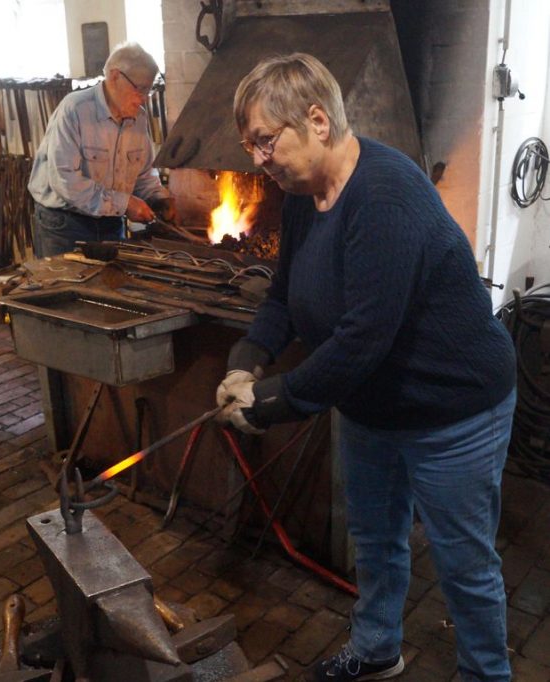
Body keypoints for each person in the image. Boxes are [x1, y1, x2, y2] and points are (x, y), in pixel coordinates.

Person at [216, 53, 516, 682]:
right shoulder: (302, 194)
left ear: (318, 121)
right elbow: (284, 295)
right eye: (250, 146)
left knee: (464, 563)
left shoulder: (386, 195)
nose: (257, 160)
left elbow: (362, 341)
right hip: (372, 406)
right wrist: (244, 363)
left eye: (265, 142)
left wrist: (271, 402)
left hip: (453, 409)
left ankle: (486, 674)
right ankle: (379, 649)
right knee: (375, 542)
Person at [28, 41, 176, 258]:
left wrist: (158, 199)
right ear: (115, 76)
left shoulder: (139, 119)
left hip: (110, 223)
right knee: (65, 289)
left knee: (111, 287)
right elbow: (66, 182)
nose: (144, 97)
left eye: (149, 90)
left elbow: (143, 175)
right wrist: (125, 204)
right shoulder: (75, 110)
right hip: (65, 226)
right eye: (140, 88)